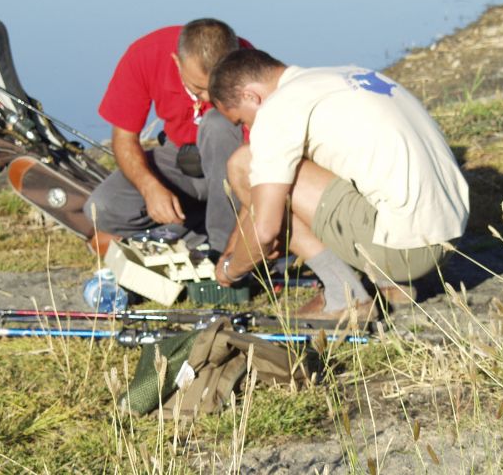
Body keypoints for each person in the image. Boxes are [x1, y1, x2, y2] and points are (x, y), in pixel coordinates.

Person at [208, 49, 470, 321]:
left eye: (242, 120)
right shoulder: (345, 74)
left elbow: (265, 231)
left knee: (243, 163)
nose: (249, 129)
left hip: (406, 250)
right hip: (449, 234)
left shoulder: (278, 107)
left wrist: (230, 270)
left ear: (251, 96)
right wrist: (236, 244)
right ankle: (391, 284)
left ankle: (344, 296)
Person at [84, 19, 251, 258]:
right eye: (198, 88)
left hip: (230, 160)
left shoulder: (250, 64)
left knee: (217, 122)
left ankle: (223, 251)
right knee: (101, 207)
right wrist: (150, 188)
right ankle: (196, 230)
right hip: (179, 157)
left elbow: (258, 158)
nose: (208, 97)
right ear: (177, 62)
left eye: (217, 88)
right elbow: (124, 138)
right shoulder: (146, 54)